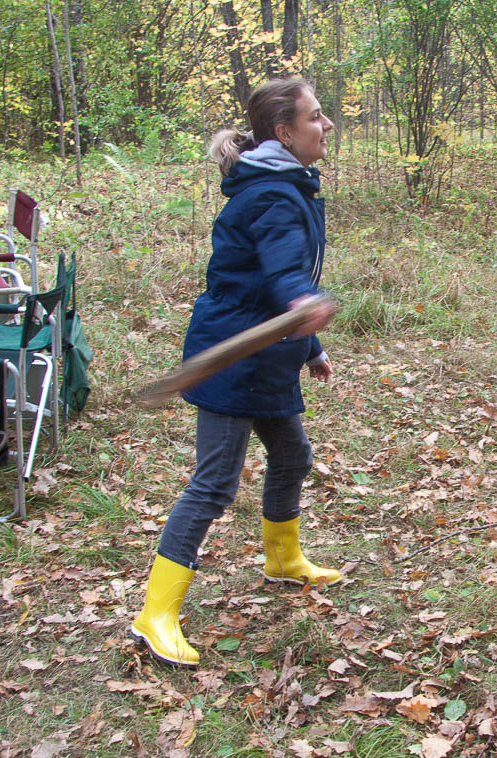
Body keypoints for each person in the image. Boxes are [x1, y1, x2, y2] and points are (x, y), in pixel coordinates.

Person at [131, 77, 340, 668]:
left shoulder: (288, 184)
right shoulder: (273, 195)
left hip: (268, 355)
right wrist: (304, 302)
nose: (326, 125)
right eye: (315, 117)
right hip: (233, 357)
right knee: (214, 484)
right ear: (284, 132)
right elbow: (284, 273)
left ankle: (283, 560)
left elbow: (275, 283)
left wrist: (309, 344)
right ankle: (155, 614)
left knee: (292, 455)